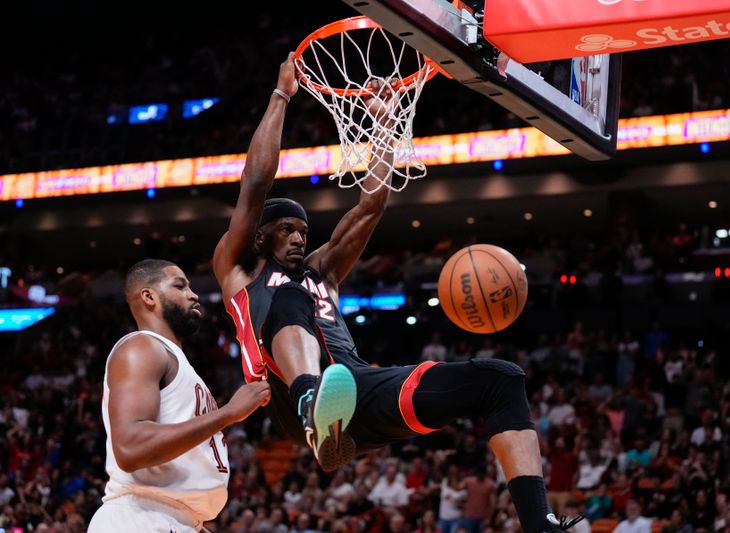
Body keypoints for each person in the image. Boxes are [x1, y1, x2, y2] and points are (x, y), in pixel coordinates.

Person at [212, 53, 579, 533]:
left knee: (500, 380)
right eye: (287, 229)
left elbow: (370, 205)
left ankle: (540, 523)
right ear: (260, 237)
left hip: (353, 396)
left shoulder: (322, 270)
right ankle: (311, 406)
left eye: (304, 229)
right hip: (286, 395)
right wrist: (281, 95)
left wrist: (384, 125)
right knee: (291, 301)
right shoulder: (240, 268)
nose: (300, 237)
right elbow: (255, 184)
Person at [88, 259, 270, 532]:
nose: (193, 293)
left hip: (179, 519)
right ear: (149, 296)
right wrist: (228, 414)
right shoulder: (141, 347)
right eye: (180, 285)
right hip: (141, 517)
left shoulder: (178, 363)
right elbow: (130, 447)